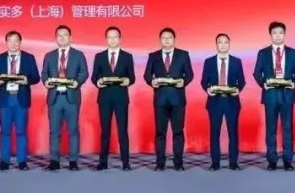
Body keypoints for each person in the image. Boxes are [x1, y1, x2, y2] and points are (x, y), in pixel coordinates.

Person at [253, 22, 295, 171]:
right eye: (275, 33)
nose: (278, 36)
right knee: (271, 129)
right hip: (271, 94)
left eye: (281, 32)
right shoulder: (263, 53)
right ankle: (272, 160)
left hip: (287, 94)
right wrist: (263, 83)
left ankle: (288, 161)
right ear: (270, 35)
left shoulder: (292, 52)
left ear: (284, 34)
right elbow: (257, 73)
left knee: (287, 128)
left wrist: (294, 83)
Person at [143, 27, 194, 171]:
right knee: (160, 133)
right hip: (160, 99)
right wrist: (152, 82)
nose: (166, 40)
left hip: (177, 99)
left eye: (169, 37)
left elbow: (189, 74)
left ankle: (178, 163)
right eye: (164, 38)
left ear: (174, 39)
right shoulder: (153, 56)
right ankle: (160, 164)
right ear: (160, 40)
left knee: (178, 132)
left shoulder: (183, 55)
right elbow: (147, 75)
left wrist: (184, 81)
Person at [42, 25, 88, 171]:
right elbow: (44, 74)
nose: (62, 37)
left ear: (70, 37)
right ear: (56, 38)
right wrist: (46, 82)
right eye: (59, 35)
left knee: (73, 130)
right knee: (54, 131)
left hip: (71, 97)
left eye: (65, 35)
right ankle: (54, 161)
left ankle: (73, 161)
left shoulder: (78, 55)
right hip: (55, 97)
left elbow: (84, 73)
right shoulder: (49, 55)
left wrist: (77, 82)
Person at [0, 30, 40, 171]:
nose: (13, 44)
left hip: (21, 98)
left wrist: (26, 80)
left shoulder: (29, 58)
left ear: (20, 42)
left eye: (16, 41)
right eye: (10, 41)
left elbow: (36, 77)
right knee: (5, 131)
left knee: (21, 131)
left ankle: (22, 161)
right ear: (6, 42)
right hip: (5, 99)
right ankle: (4, 161)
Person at [91, 26, 135, 170]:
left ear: (120, 39)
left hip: (121, 97)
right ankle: (102, 162)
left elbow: (132, 77)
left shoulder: (127, 56)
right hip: (104, 97)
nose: (113, 40)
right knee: (105, 131)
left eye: (115, 37)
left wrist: (128, 81)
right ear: (106, 39)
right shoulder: (99, 56)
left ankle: (126, 163)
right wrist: (97, 82)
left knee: (122, 131)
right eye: (110, 37)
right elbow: (94, 77)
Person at [201, 33, 246, 170]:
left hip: (231, 101)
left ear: (229, 44)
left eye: (225, 42)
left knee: (233, 133)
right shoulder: (208, 62)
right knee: (214, 132)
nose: (223, 45)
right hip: (215, 101)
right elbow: (204, 81)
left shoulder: (236, 61)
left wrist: (238, 89)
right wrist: (208, 89)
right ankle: (215, 163)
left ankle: (233, 163)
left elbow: (242, 81)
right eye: (220, 42)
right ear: (216, 45)